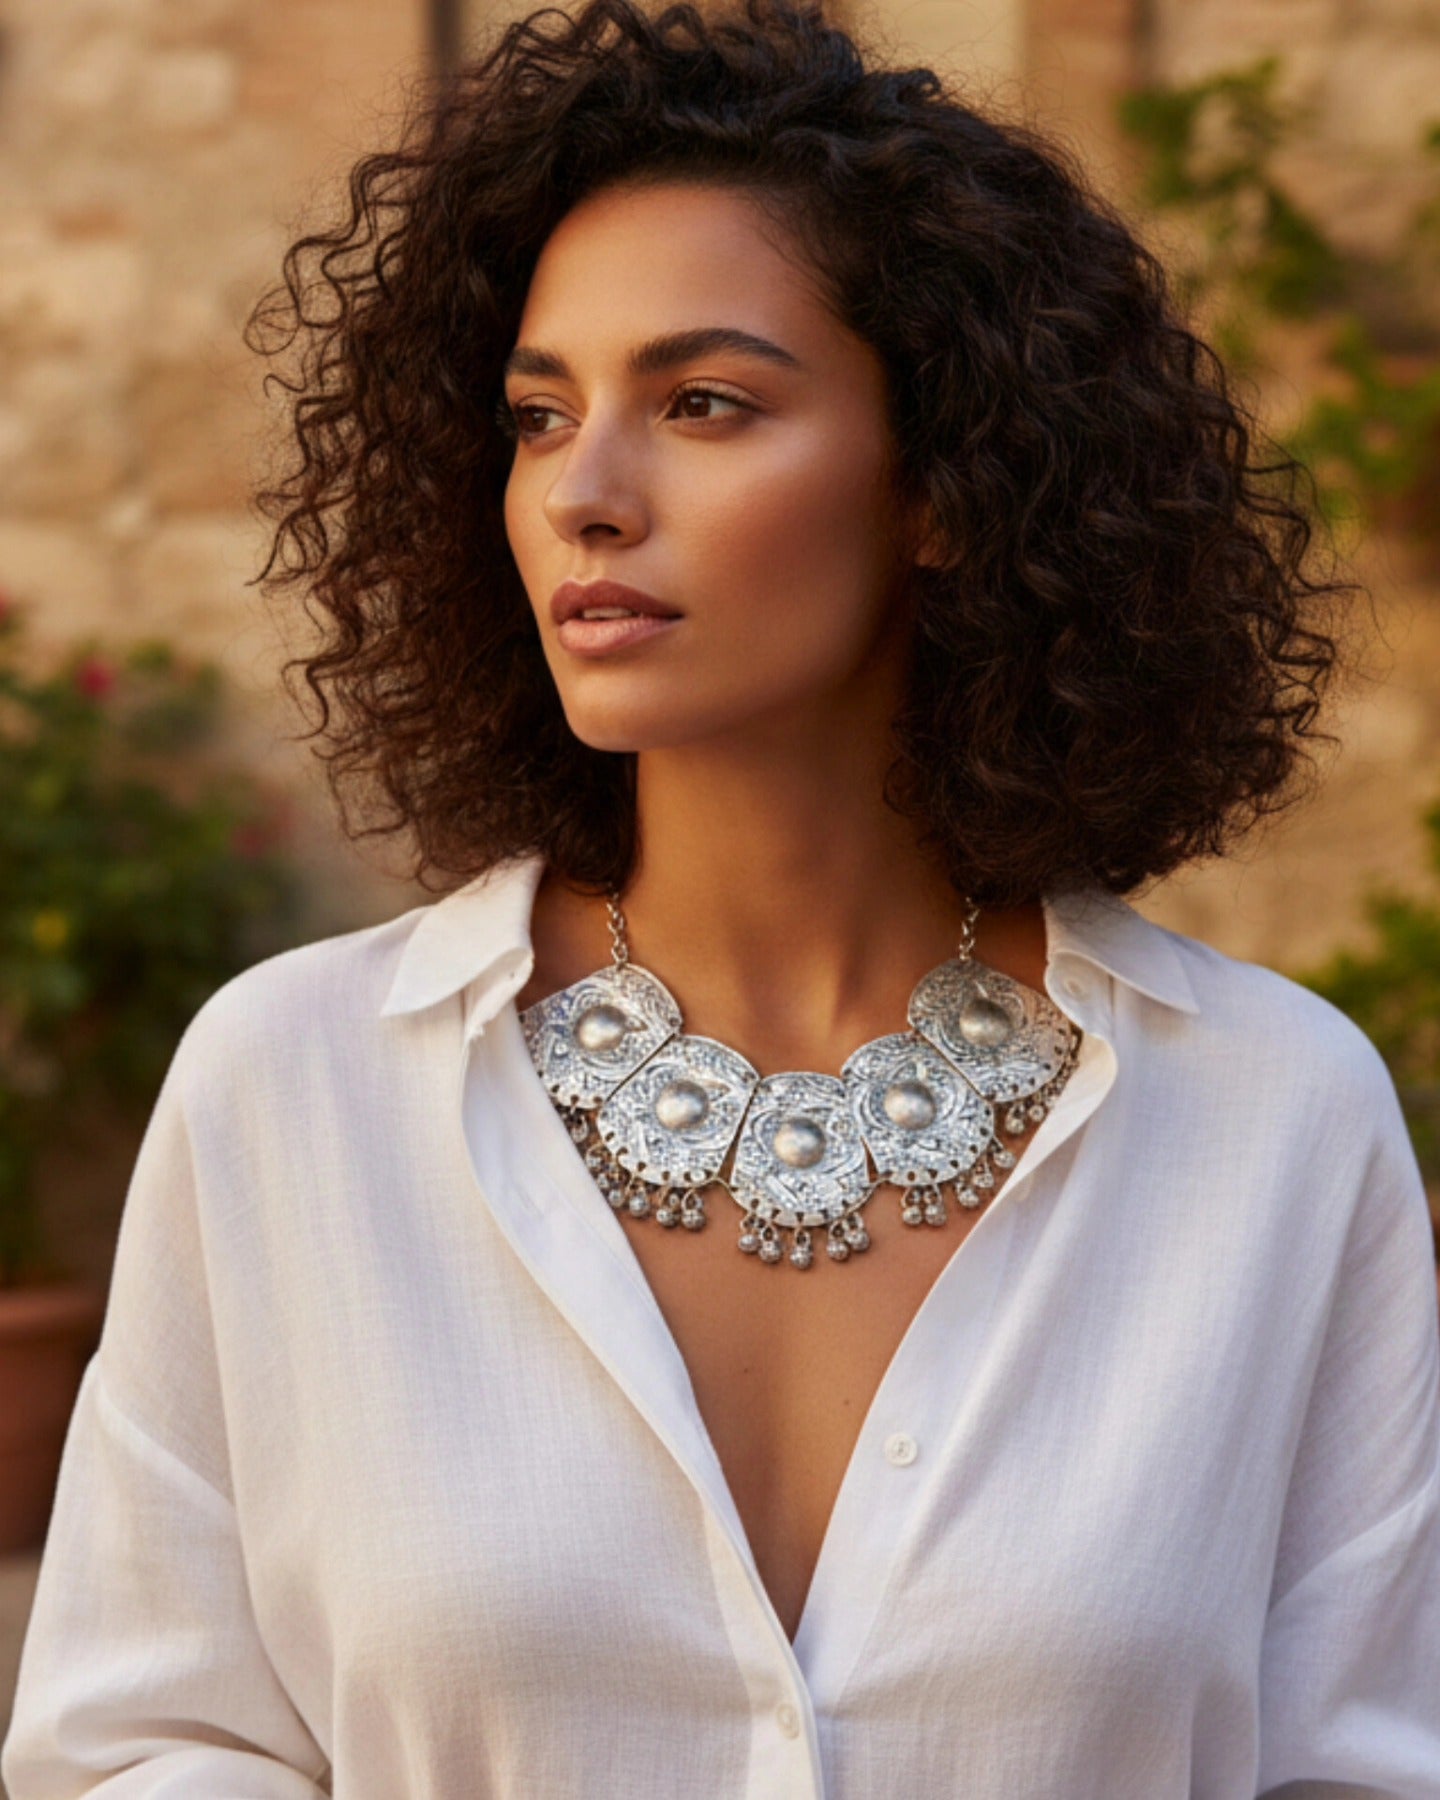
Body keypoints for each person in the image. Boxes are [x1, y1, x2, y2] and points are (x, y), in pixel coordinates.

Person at [5, 0, 1439, 1792]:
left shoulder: (1276, 1120)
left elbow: (1365, 1762)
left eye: (702, 403)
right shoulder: (292, 1088)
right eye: (539, 417)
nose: (585, 496)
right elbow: (143, 1746)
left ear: (946, 483)